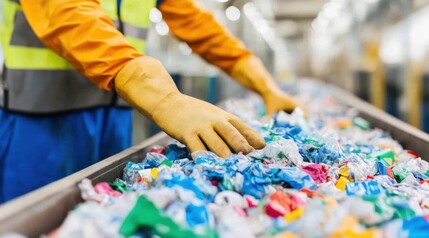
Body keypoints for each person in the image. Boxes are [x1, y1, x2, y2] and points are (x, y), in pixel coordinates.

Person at [0, 0, 299, 203]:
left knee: (104, 214)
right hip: (40, 121)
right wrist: (165, 100)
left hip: (115, 119)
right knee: (34, 220)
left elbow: (201, 28)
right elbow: (67, 15)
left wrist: (266, 85)